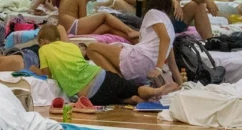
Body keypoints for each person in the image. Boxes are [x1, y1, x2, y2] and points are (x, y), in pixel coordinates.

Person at [37, 24, 179, 105]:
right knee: (133, 88)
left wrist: (34, 70)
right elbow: (62, 29)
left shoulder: (43, 49)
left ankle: (133, 100)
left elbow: (46, 74)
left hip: (90, 96)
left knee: (118, 99)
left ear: (43, 41)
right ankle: (154, 91)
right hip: (101, 76)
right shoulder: (72, 47)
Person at [86, 0, 182, 85]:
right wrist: (182, 86)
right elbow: (172, 64)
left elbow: (164, 38)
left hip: (140, 59)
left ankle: (119, 84)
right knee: (112, 51)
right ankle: (122, 83)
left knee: (92, 48)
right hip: (148, 69)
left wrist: (159, 68)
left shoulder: (153, 13)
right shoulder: (170, 26)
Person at [56, 0, 138, 40]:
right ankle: (130, 31)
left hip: (66, 28)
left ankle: (134, 40)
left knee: (107, 27)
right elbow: (83, 19)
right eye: (88, 0)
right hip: (74, 26)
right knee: (104, 15)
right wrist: (96, 18)